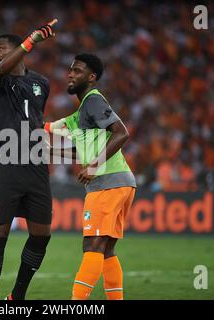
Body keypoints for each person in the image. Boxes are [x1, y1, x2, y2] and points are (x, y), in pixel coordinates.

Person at [45, 53, 136, 300]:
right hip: (119, 182)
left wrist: (94, 167)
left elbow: (121, 133)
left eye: (77, 70)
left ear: (91, 77)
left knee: (92, 245)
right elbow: (82, 151)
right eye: (70, 70)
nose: (70, 74)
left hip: (108, 183)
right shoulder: (83, 109)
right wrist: (50, 150)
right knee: (105, 250)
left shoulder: (93, 101)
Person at [0, 19, 58, 300]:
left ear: (15, 50)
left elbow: (35, 119)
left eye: (0, 48)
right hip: (5, 163)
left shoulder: (41, 83)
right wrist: (31, 41)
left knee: (41, 234)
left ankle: (17, 296)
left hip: (36, 166)